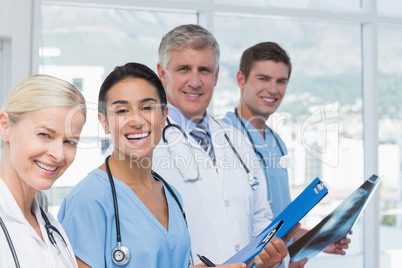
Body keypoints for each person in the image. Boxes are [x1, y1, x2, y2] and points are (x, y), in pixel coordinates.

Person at [58, 62, 246, 268]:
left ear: (164, 116)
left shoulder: (170, 194)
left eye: (147, 108)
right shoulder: (89, 199)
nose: (136, 121)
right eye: (122, 110)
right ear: (104, 123)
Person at [153, 24, 296, 268]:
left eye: (205, 70)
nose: (195, 81)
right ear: (163, 74)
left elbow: (261, 218)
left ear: (217, 76)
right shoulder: (149, 146)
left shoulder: (236, 140)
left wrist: (271, 258)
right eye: (184, 69)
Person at [221, 42, 351, 267]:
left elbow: (281, 224)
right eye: (263, 79)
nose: (273, 89)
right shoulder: (222, 139)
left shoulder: (277, 142)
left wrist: (319, 240)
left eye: (281, 81)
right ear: (241, 80)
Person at [0, 74, 86, 268]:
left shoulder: (54, 229)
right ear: (5, 126)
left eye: (69, 141)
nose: (59, 154)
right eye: (45, 134)